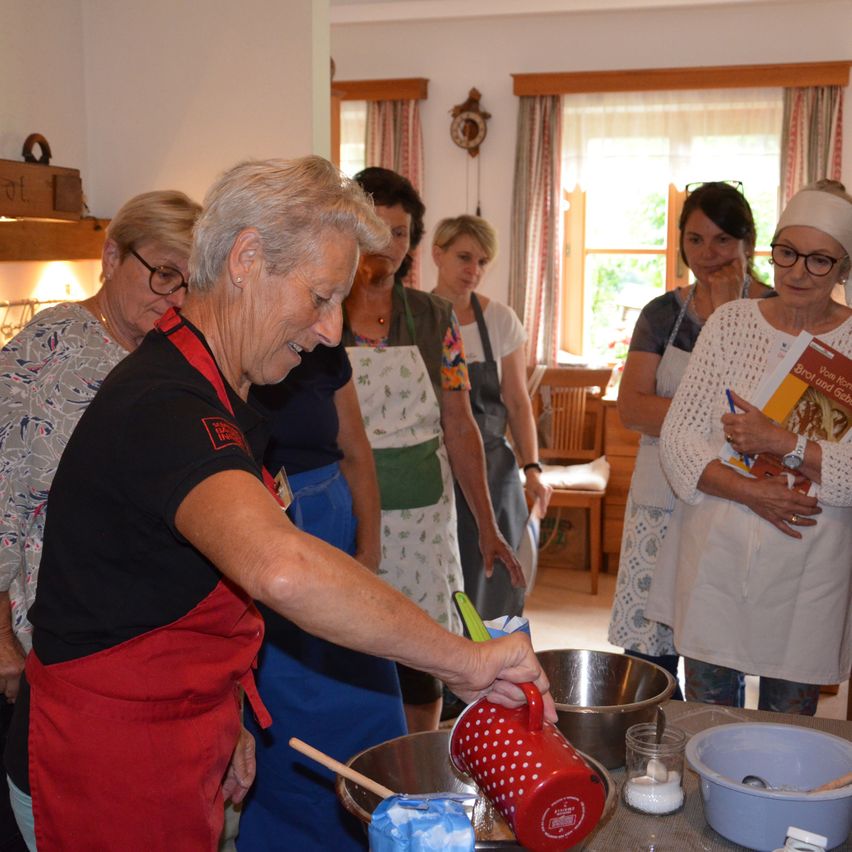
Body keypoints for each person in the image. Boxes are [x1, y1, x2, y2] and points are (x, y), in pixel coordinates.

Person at [4, 156, 554, 851]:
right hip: (102, 761)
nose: (331, 330)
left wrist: (223, 706)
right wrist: (463, 660)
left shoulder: (219, 390)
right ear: (246, 258)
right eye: (321, 297)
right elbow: (280, 567)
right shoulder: (163, 404)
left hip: (175, 736)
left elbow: (173, 586)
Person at [0, 189, 200, 848]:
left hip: (143, 649)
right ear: (112, 256)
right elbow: (5, 499)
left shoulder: (169, 359)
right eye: (162, 273)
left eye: (188, 281)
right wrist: (0, 638)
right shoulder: (51, 347)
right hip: (57, 642)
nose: (175, 295)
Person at [653, 179, 852, 714]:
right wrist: (749, 492)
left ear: (844, 269)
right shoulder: (731, 324)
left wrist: (783, 442)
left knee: (791, 727)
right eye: (787, 253)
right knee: (708, 718)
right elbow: (678, 436)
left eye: (819, 261)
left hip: (810, 559)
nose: (796, 272)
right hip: (719, 551)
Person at [344, 168, 524, 733]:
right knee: (351, 647)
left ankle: (417, 753)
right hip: (348, 512)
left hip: (424, 519)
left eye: (401, 233)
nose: (390, 245)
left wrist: (487, 525)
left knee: (424, 657)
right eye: (376, 230)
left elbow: (459, 424)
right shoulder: (320, 311)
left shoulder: (433, 317)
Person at [607, 182, 773, 698]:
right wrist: (724, 422)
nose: (708, 255)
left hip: (740, 500)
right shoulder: (661, 314)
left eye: (723, 240)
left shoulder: (775, 311)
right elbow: (632, 407)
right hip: (660, 498)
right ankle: (661, 753)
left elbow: (772, 412)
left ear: (749, 243)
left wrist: (729, 313)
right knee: (649, 658)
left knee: (723, 651)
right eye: (695, 239)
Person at [238, 347, 405, 851]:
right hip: (258, 538)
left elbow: (356, 450)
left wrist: (368, 553)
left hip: (334, 532)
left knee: (372, 709)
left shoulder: (325, 351)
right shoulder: (226, 352)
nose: (329, 321)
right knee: (282, 724)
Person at [431, 214, 552, 620]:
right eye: (464, 257)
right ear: (437, 254)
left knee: (497, 583)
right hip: (438, 468)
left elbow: (517, 402)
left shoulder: (500, 320)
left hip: (495, 470)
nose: (473, 270)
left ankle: (494, 670)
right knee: (446, 581)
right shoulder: (421, 317)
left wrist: (532, 468)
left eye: (483, 262)